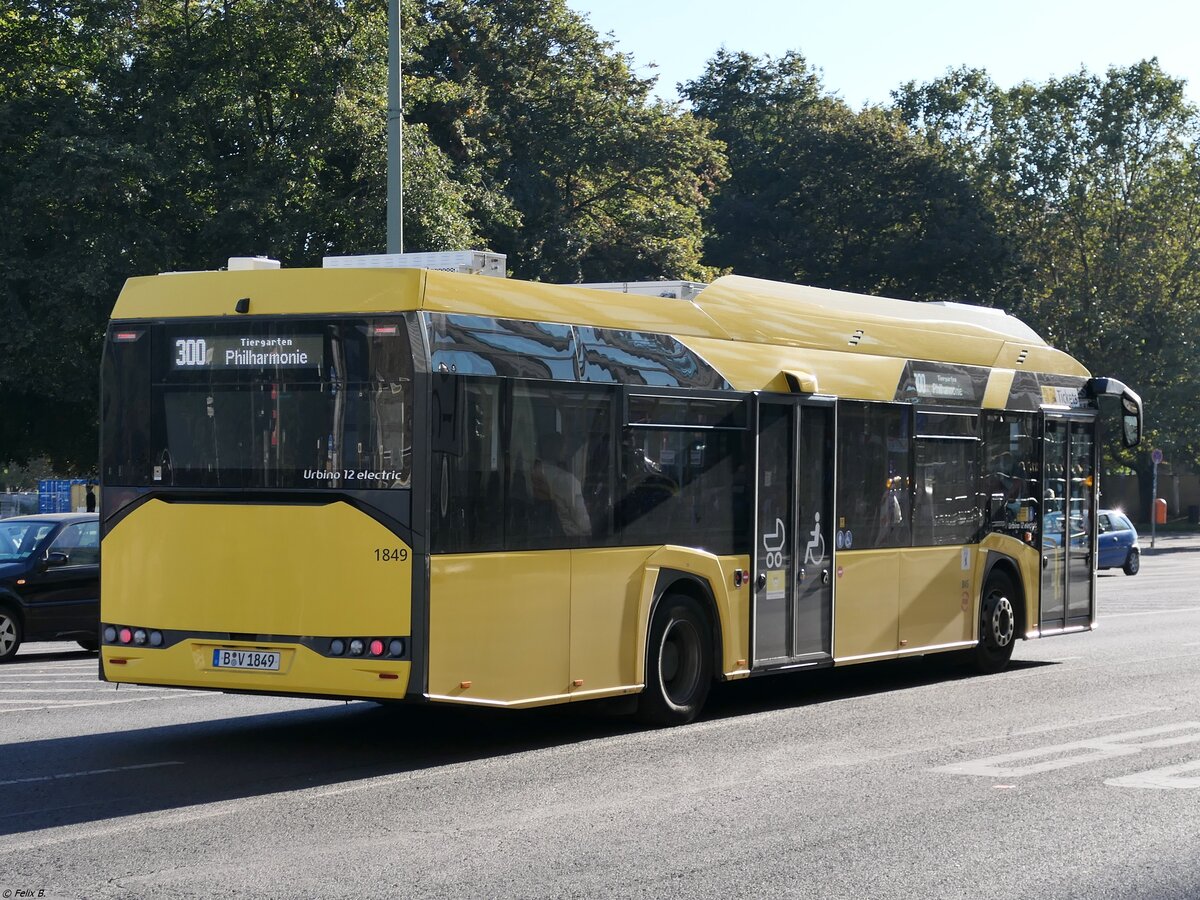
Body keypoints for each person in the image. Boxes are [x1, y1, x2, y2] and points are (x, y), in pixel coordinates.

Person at [532, 433, 591, 537]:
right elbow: (584, 524)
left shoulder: (534, 472)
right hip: (569, 541)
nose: (567, 450)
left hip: (541, 536)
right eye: (564, 447)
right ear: (557, 449)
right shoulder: (567, 480)